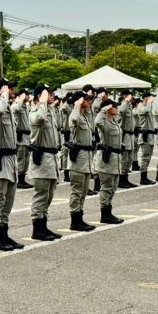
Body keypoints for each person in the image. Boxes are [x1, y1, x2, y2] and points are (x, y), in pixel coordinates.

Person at [0, 79, 24, 250]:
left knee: (8, 201)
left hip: (11, 159)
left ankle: (4, 234)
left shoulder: (8, 109)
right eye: (9, 88)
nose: (13, 90)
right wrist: (3, 95)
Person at [29, 84, 62, 241]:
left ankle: (43, 226)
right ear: (39, 97)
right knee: (41, 194)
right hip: (42, 158)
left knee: (48, 195)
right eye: (48, 93)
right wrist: (42, 102)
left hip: (52, 159)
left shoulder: (50, 111)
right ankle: (37, 229)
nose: (52, 95)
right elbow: (38, 120)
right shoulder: (36, 111)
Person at [66, 91, 96, 231]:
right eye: (87, 99)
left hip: (87, 160)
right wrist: (77, 105)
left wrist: (84, 107)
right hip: (78, 160)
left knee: (83, 192)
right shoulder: (75, 115)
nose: (90, 101)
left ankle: (79, 218)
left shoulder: (85, 117)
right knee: (77, 191)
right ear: (79, 101)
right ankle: (75, 221)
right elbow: (74, 119)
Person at [94, 99, 124, 223]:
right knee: (106, 187)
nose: (116, 109)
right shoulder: (104, 121)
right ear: (107, 109)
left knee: (113, 187)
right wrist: (103, 109)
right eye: (114, 107)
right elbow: (97, 121)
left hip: (115, 159)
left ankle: (108, 211)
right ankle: (104, 214)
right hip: (107, 159)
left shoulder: (114, 122)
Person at [11, 88, 32, 188]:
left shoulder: (25, 106)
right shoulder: (16, 106)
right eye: (26, 95)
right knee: (21, 159)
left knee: (26, 160)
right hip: (20, 137)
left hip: (27, 137)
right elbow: (17, 109)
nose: (27, 96)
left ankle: (23, 179)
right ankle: (20, 180)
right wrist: (21, 99)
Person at [117, 89, 137, 188]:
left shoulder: (129, 107)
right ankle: (121, 180)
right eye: (129, 96)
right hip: (124, 135)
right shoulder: (121, 106)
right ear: (124, 96)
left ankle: (125, 178)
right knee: (124, 159)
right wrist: (126, 101)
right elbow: (121, 111)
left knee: (129, 159)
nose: (131, 98)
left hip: (130, 135)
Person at [135, 92, 156, 185]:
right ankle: (143, 178)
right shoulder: (141, 107)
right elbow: (145, 110)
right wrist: (149, 102)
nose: (152, 99)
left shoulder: (147, 107)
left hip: (150, 136)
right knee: (145, 158)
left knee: (148, 158)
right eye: (150, 97)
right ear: (146, 98)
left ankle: (145, 177)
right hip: (145, 137)